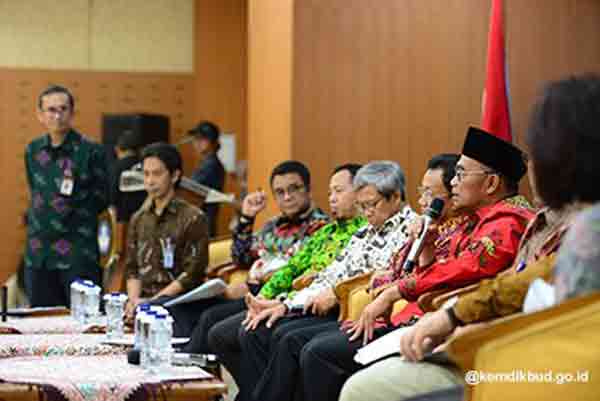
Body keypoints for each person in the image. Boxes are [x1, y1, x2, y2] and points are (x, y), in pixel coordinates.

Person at [342, 74, 600, 401]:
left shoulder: (520, 221)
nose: (453, 183)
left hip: (536, 363)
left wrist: (457, 318)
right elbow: (519, 279)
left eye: (461, 174)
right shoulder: (529, 218)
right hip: (503, 338)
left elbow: (517, 284)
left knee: (361, 385)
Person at [213, 161, 417, 401]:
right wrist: (285, 305)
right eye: (362, 206)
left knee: (289, 339)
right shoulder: (366, 231)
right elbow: (330, 273)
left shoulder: (410, 229)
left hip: (355, 309)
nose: (367, 212)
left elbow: (384, 276)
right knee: (260, 329)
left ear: (395, 197)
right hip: (322, 299)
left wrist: (335, 291)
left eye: (371, 205)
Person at [169, 160, 330, 352]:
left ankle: (190, 366)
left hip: (278, 297)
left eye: (294, 189)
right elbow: (242, 258)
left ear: (308, 190)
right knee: (184, 309)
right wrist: (246, 218)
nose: (287, 197)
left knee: (211, 317)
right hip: (252, 291)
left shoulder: (321, 228)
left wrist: (251, 285)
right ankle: (180, 360)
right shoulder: (272, 226)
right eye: (280, 192)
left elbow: (299, 272)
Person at [24, 85, 108, 307]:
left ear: (72, 113)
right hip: (39, 252)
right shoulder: (33, 151)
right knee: (41, 326)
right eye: (50, 110)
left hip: (77, 252)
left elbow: (102, 198)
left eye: (63, 109)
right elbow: (35, 190)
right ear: (40, 115)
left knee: (85, 324)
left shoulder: (91, 151)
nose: (57, 115)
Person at [124, 143, 209, 319]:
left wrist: (152, 303)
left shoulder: (193, 217)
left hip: (178, 304)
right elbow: (132, 268)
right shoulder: (138, 218)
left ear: (175, 175)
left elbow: (192, 275)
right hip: (142, 303)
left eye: (157, 173)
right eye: (146, 174)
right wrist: (134, 301)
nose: (150, 181)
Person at [189, 121, 226, 237]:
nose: (197, 143)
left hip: (203, 222)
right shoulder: (207, 163)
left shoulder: (211, 165)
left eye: (202, 139)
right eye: (195, 139)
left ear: (213, 142)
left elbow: (191, 190)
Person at [108, 130, 147, 223]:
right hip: (145, 216)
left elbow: (112, 195)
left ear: (117, 149)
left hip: (124, 219)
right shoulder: (147, 165)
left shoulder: (117, 167)